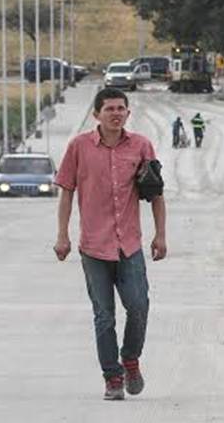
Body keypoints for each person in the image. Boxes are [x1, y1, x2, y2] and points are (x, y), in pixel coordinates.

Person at [53, 88, 167, 401]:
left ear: (128, 113)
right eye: (109, 109)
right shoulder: (78, 147)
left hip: (129, 245)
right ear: (97, 115)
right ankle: (112, 377)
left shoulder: (142, 146)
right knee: (104, 316)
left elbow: (156, 194)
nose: (116, 114)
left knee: (139, 306)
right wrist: (62, 235)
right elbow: (66, 191)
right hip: (93, 246)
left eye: (121, 109)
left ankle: (130, 359)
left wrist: (161, 234)